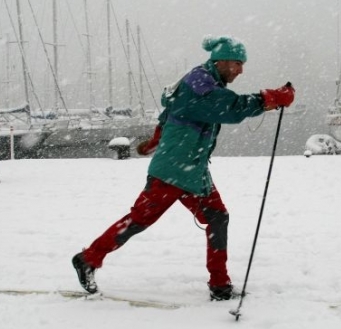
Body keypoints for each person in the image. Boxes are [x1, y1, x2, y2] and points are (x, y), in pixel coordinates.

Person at [72, 35, 295, 301]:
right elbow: (229, 107)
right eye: (237, 63)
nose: (240, 70)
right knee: (139, 220)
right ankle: (87, 259)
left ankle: (220, 285)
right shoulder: (199, 82)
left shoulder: (202, 80)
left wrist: (156, 139)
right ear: (220, 61)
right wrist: (270, 98)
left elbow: (170, 112)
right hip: (173, 170)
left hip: (193, 169)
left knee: (217, 217)